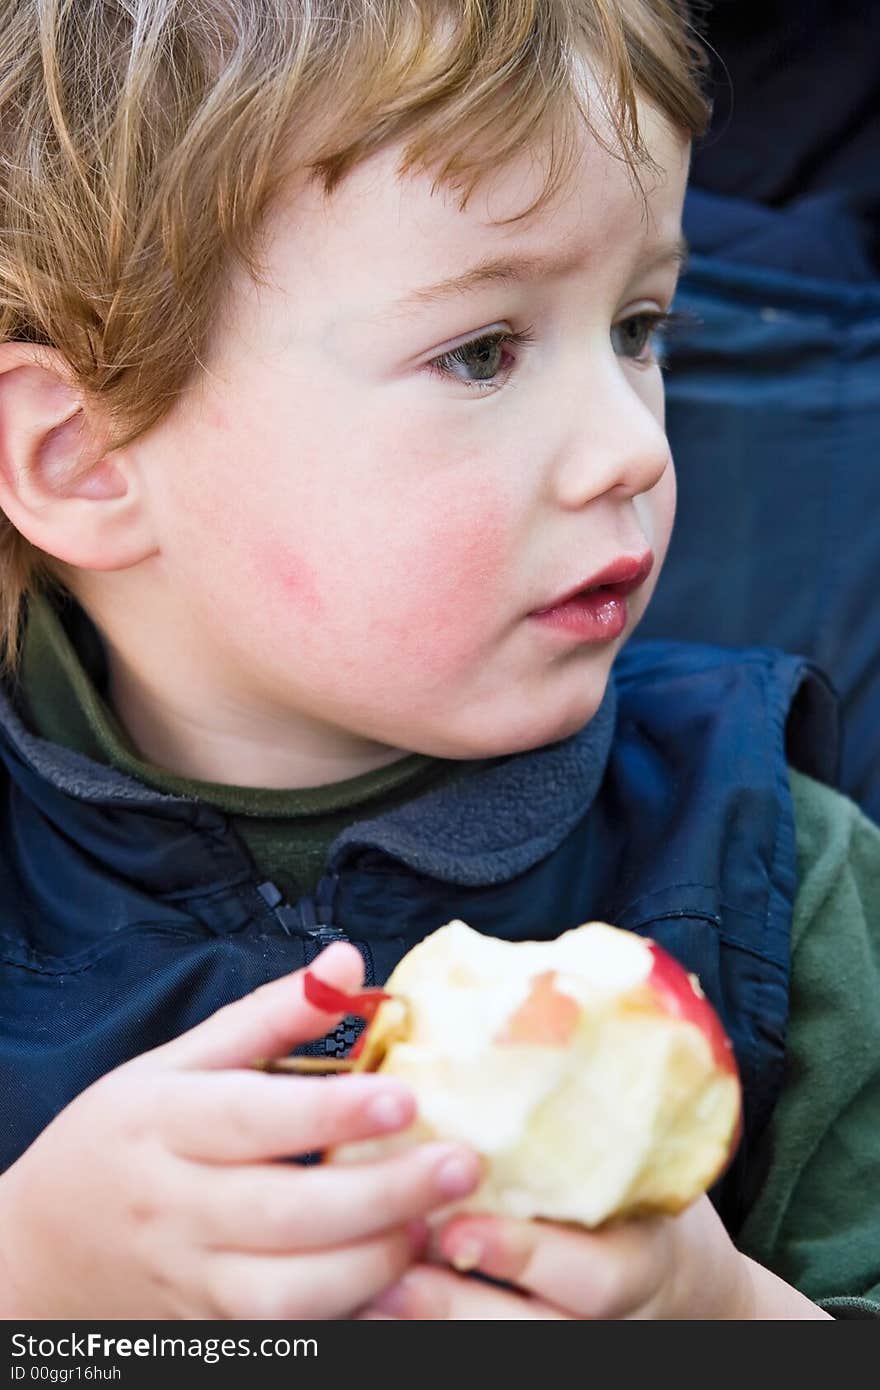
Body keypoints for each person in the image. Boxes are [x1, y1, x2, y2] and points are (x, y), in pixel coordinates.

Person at [0, 1, 876, 1321]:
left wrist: (722, 1313)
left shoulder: (781, 874)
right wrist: (33, 1280)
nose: (634, 444)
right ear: (85, 459)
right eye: (483, 350)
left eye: (641, 326)